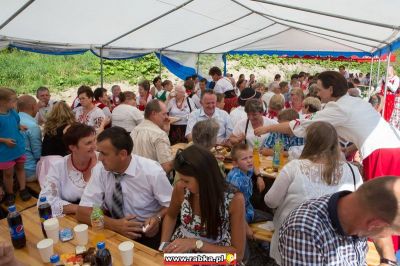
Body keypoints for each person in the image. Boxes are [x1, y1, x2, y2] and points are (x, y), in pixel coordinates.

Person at [255, 70, 400, 251]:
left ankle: (381, 254)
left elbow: (301, 126)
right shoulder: (355, 102)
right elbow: (369, 130)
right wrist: (350, 149)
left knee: (379, 208)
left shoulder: (338, 108)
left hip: (382, 155)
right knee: (388, 206)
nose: (317, 93)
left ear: (330, 89)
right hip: (391, 150)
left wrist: (269, 128)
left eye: (320, 89)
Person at [264, 121, 363, 265]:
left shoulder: (294, 167)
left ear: (308, 142)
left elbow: (271, 201)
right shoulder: (352, 171)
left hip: (295, 241)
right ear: (335, 143)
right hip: (338, 247)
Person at [77, 127, 172, 249]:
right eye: (99, 152)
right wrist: (115, 225)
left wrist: (157, 218)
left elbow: (172, 204)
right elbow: (82, 212)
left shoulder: (152, 171)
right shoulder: (100, 170)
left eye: (104, 154)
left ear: (122, 154)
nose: (99, 158)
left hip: (146, 233)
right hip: (112, 229)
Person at [279, 176, 399, 265]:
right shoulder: (304, 231)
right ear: (375, 225)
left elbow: (382, 234)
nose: (389, 236)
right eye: (392, 233)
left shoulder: (359, 207)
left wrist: (388, 260)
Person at [160, 145, 246, 262]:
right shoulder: (181, 188)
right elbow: (171, 216)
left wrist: (196, 243)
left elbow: (238, 254)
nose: (183, 184)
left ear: (204, 177)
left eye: (187, 181)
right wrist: (163, 246)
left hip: (217, 254)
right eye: (181, 179)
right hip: (181, 249)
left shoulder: (234, 199)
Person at [38, 123, 100, 217]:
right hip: (72, 219)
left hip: (102, 219)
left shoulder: (103, 161)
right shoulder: (59, 166)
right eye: (88, 143)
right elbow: (45, 201)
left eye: (94, 140)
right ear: (73, 147)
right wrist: (79, 209)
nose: (94, 146)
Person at [227, 143, 269, 240]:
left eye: (251, 157)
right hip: (237, 218)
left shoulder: (244, 168)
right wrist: (246, 228)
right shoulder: (237, 181)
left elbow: (253, 165)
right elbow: (234, 209)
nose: (249, 161)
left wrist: (259, 177)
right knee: (271, 219)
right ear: (235, 163)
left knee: (270, 217)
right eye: (244, 159)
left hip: (247, 209)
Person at [0, 88, 32, 205]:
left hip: (18, 147)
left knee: (20, 168)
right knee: (8, 173)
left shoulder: (13, 112)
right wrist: (4, 140)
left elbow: (16, 123)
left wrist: (20, 127)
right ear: (3, 102)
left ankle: (23, 189)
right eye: (13, 101)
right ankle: (10, 193)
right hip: (5, 152)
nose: (16, 103)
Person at [131, 100, 174, 173]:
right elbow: (166, 167)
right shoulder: (159, 134)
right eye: (164, 114)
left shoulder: (134, 130)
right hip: (152, 180)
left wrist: (166, 131)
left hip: (135, 179)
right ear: (153, 113)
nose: (167, 117)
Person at [17, 95, 41, 182]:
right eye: (37, 106)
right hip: (30, 172)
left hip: (13, 170)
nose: (38, 109)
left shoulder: (13, 120)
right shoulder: (32, 126)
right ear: (33, 106)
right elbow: (38, 154)